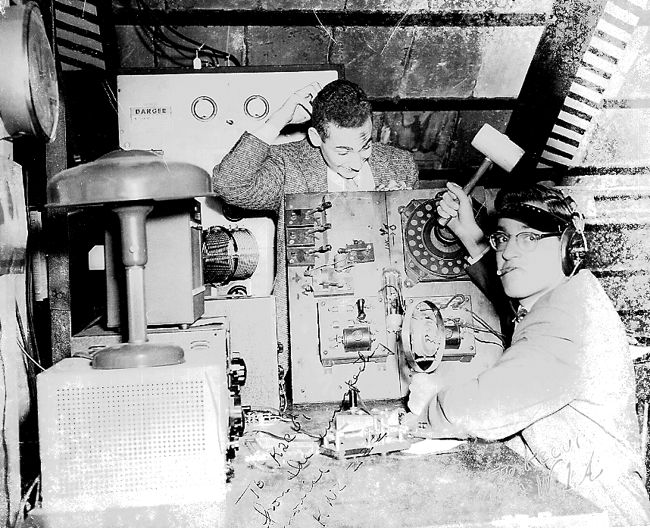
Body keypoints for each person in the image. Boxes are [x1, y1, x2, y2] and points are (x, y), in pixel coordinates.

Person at [407, 181, 650, 527]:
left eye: (530, 238)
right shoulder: (560, 295)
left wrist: (431, 403)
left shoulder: (568, 315)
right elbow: (511, 301)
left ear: (569, 248)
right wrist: (465, 229)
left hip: (601, 509)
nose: (507, 253)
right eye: (503, 239)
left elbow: (479, 410)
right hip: (566, 493)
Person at [212, 79, 419, 389]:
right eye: (343, 150)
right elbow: (229, 184)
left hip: (382, 315)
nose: (356, 160)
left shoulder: (399, 167)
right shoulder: (290, 166)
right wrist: (280, 115)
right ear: (315, 137)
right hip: (303, 318)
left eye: (365, 144)